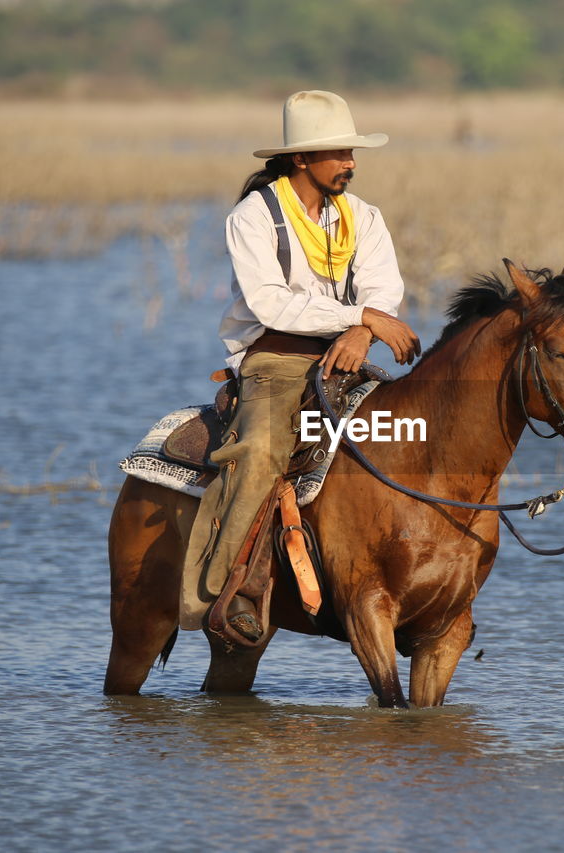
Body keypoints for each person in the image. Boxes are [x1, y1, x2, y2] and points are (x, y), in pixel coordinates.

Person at [180, 90, 420, 636]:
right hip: (274, 359)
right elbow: (271, 304)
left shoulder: (363, 216)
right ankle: (224, 596)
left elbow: (386, 289)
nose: (351, 164)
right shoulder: (252, 217)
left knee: (411, 430)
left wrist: (363, 330)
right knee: (262, 451)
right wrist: (364, 317)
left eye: (352, 153)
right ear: (300, 159)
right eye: (339, 153)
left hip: (347, 356)